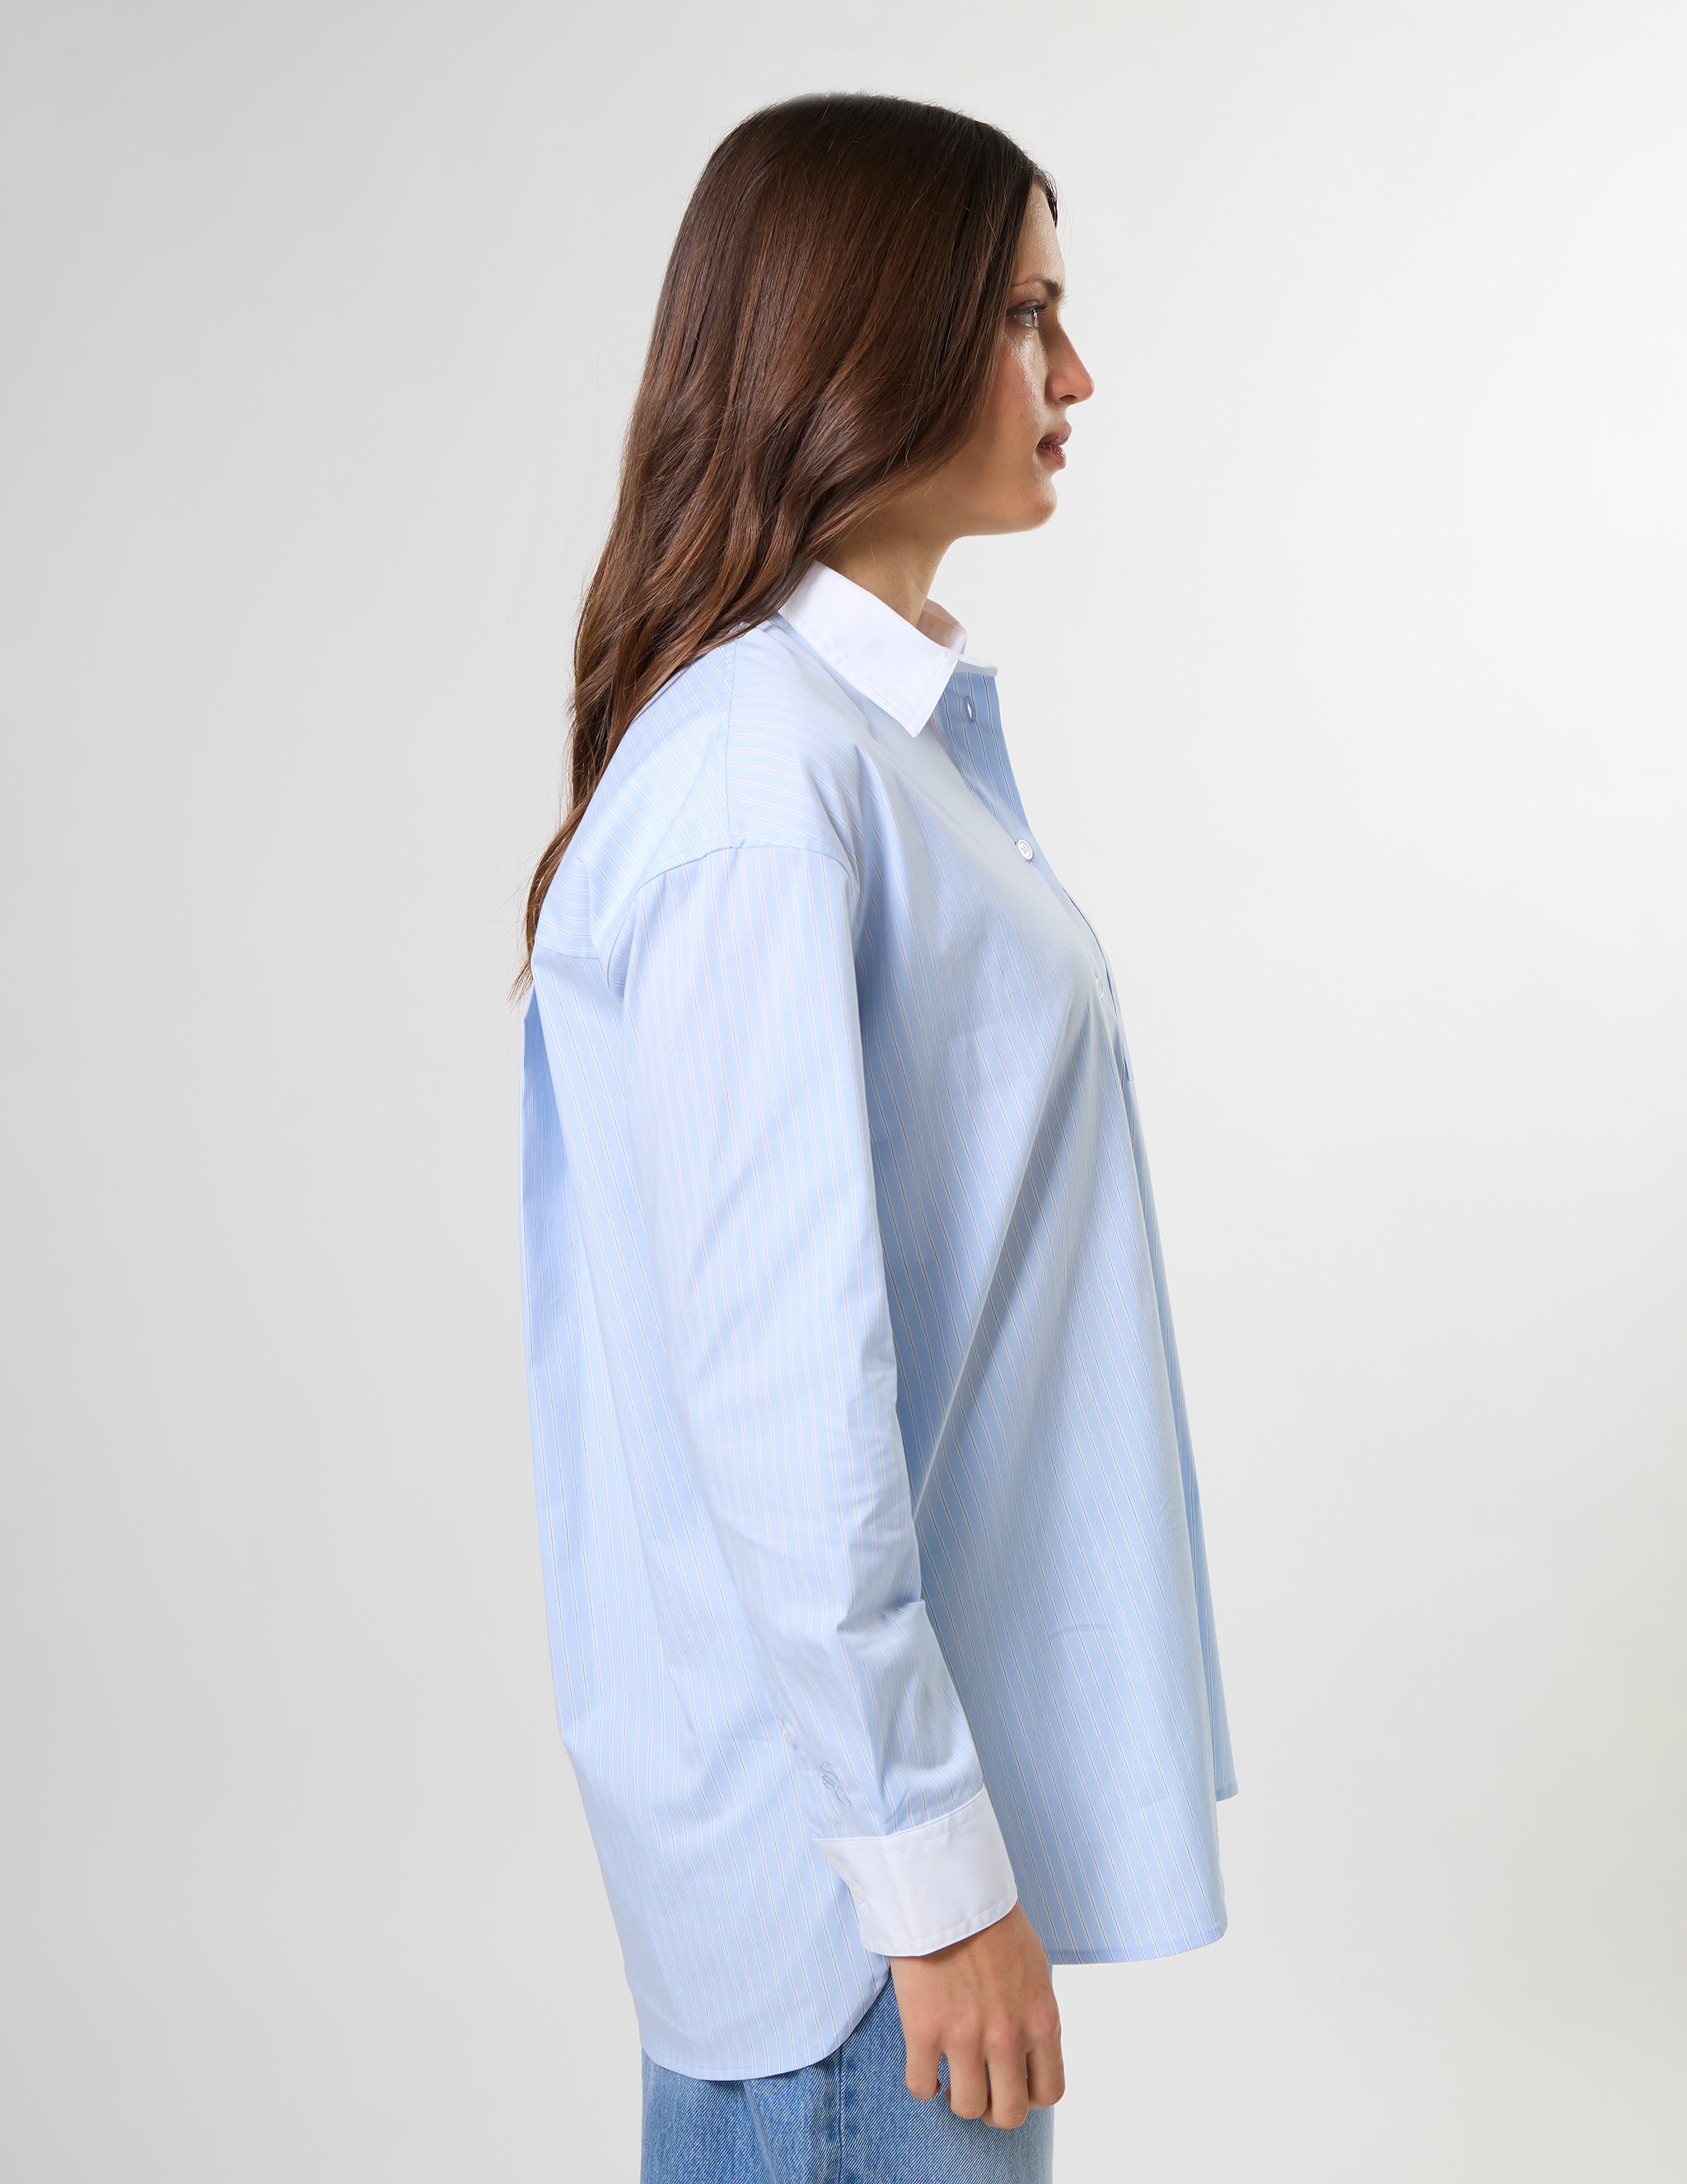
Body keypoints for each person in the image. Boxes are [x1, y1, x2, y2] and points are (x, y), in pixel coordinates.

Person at [516, 91, 1236, 2184]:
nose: (1074, 376)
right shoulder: (764, 782)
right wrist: (929, 1882)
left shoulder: (853, 754)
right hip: (850, 1933)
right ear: (866, 339)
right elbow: (779, 1389)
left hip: (876, 1887)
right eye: (1024, 317)